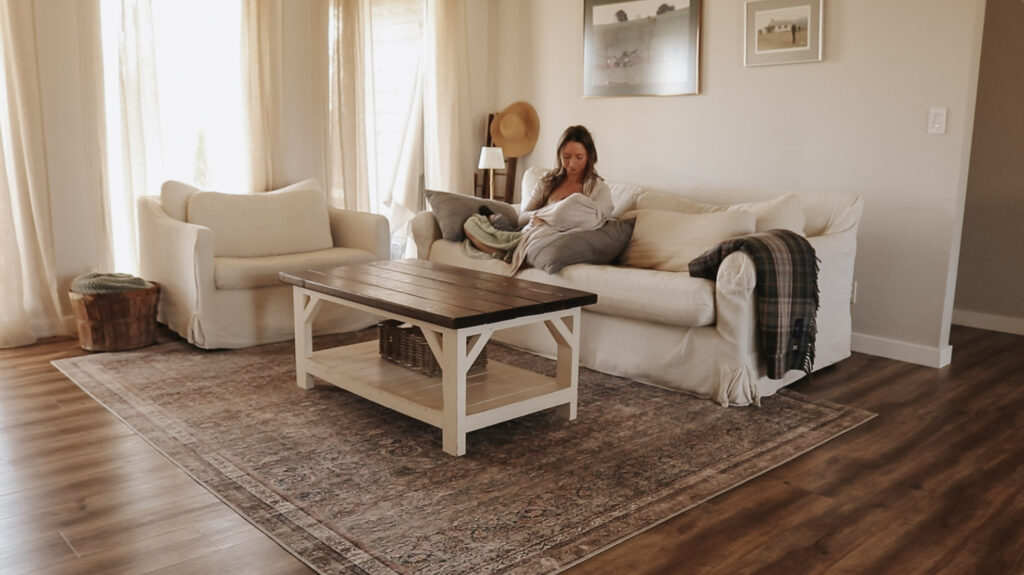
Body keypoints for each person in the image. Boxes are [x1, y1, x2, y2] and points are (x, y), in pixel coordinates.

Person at [463, 125, 613, 266]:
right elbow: (522, 217)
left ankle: (503, 247)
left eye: (579, 157)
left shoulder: (599, 189)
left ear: (589, 157)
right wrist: (540, 216)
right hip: (528, 231)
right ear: (559, 155)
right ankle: (499, 233)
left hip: (550, 239)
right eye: (566, 156)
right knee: (474, 224)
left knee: (501, 228)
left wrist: (552, 217)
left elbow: (596, 222)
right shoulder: (548, 181)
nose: (572, 164)